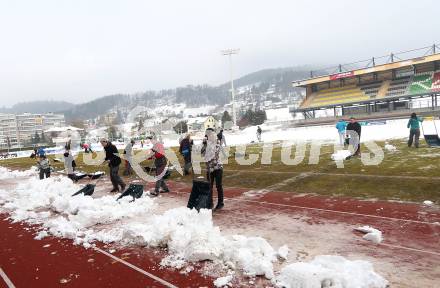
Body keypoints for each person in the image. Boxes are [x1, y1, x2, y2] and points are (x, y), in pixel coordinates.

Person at [204, 130, 224, 210]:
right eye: (208, 136)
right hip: (209, 169)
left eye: (210, 136)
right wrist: (204, 145)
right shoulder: (206, 144)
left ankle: (220, 203)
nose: (209, 137)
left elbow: (213, 155)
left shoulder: (217, 144)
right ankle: (210, 203)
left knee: (218, 186)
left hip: (217, 168)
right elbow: (202, 154)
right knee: (209, 186)